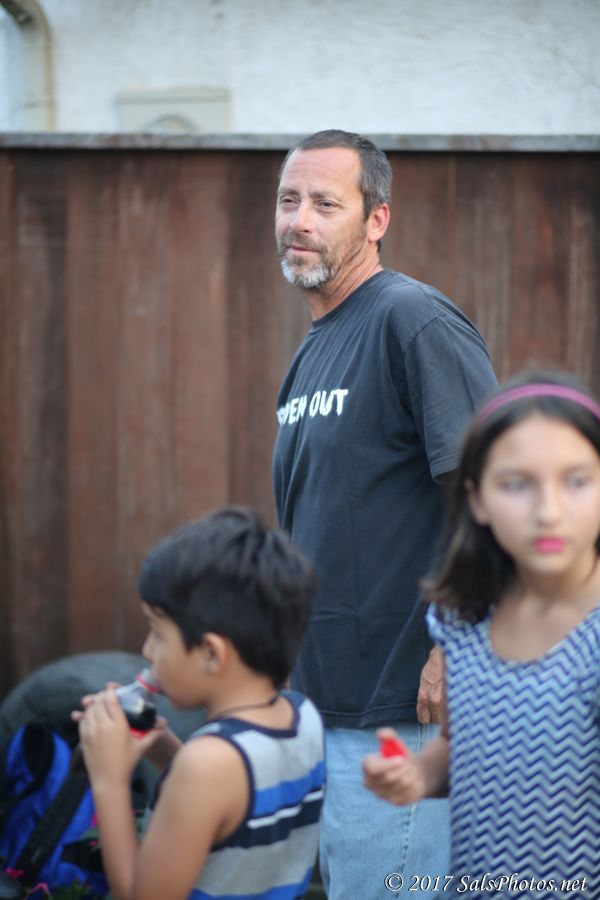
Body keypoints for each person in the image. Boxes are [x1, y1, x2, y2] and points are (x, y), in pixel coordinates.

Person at [273, 129, 497, 898]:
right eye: (289, 200)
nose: (300, 220)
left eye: (324, 203)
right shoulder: (314, 349)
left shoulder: (412, 321)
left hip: (404, 709)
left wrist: (454, 647)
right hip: (327, 707)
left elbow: (488, 495)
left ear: (377, 220)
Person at [363, 371, 600, 898]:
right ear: (476, 499)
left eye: (576, 480)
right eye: (516, 484)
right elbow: (463, 748)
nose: (548, 511)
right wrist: (419, 775)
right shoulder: (463, 621)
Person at [73, 506, 325, 900]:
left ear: (211, 653)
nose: (147, 651)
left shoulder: (205, 765)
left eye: (158, 634)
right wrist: (163, 750)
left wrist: (109, 779)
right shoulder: (302, 716)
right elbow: (235, 803)